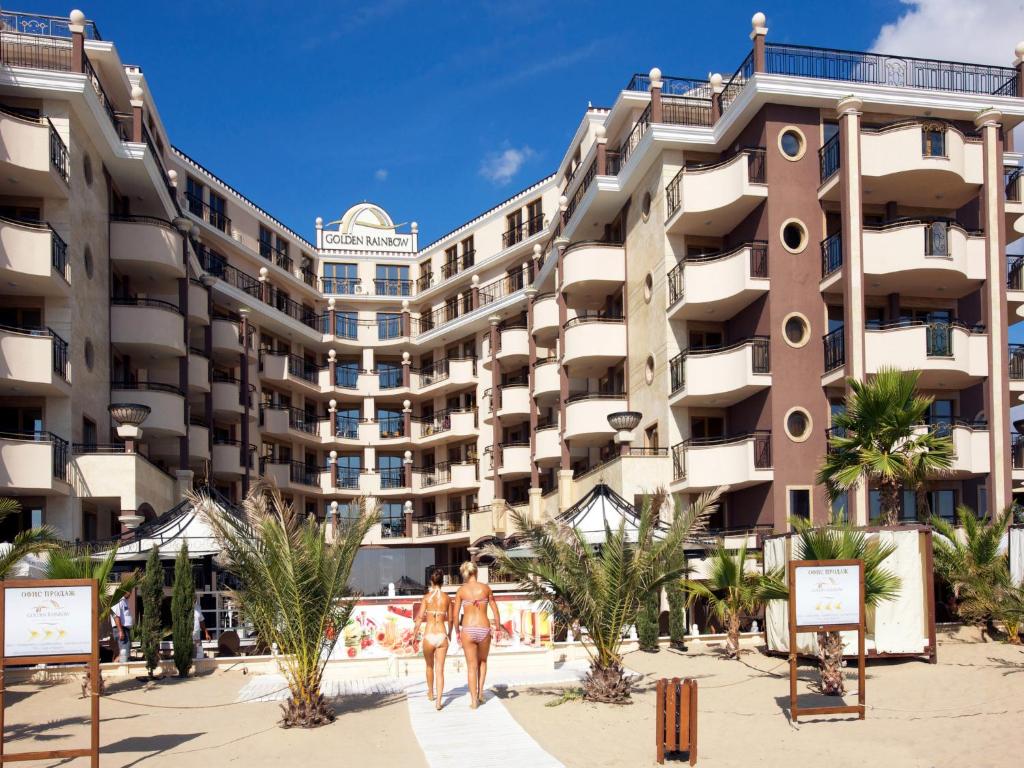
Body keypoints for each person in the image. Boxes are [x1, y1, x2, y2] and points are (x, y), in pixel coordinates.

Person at [452, 561, 501, 709]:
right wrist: (498, 628)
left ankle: (474, 701)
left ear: (465, 574)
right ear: (476, 572)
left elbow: (455, 615)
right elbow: (495, 610)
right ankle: (480, 693)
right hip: (483, 628)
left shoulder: (461, 591)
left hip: (468, 629)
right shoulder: (485, 588)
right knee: (483, 661)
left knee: (471, 666)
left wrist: (457, 631)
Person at [413, 568, 451, 710]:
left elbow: (419, 618)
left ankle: (430, 692)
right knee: (440, 670)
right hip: (442, 634)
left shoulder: (426, 598)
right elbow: (451, 619)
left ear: (431, 581)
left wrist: (414, 634)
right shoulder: (447, 598)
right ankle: (439, 702)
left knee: (429, 666)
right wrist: (451, 632)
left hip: (429, 635)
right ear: (442, 582)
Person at [110, 594, 133, 663]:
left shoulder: (124, 601)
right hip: (121, 629)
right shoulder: (117, 600)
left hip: (124, 629)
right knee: (124, 654)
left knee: (123, 653)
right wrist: (120, 631)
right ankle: (119, 670)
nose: (130, 593)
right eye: (129, 591)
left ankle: (115, 669)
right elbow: (115, 615)